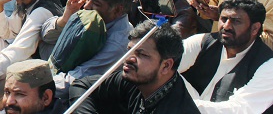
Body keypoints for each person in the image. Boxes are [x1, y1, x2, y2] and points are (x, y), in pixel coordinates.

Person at [68, 21, 199, 114]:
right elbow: (83, 86)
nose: (129, 59)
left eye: (141, 54)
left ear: (166, 65)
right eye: (129, 51)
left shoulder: (179, 109)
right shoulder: (135, 79)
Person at [179, 0, 273, 113]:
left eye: (236, 21)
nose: (226, 26)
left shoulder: (268, 64)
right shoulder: (202, 42)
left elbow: (240, 109)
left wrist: (180, 105)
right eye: (223, 19)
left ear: (255, 28)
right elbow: (162, 65)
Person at [42, 0, 133, 88]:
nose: (86, 6)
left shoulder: (118, 43)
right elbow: (46, 36)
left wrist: (39, 89)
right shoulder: (88, 16)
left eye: (96, 3)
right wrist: (66, 18)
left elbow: (76, 80)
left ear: (118, 9)